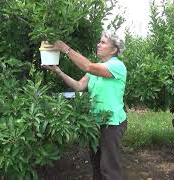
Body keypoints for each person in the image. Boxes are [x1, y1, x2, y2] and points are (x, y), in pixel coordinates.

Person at [41, 31, 127, 180]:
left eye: (103, 43)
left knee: (109, 168)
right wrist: (58, 71)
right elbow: (79, 86)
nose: (98, 45)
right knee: (97, 165)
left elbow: (87, 66)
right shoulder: (97, 67)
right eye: (99, 42)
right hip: (95, 123)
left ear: (114, 50)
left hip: (112, 124)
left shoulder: (117, 66)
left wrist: (65, 48)